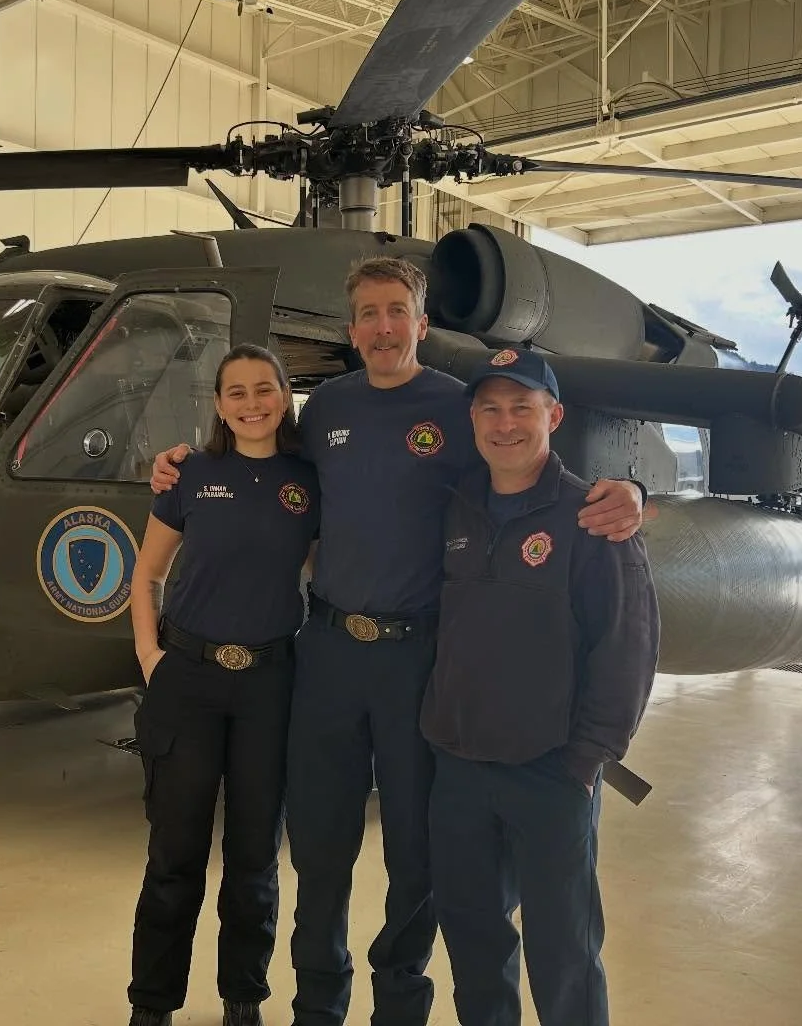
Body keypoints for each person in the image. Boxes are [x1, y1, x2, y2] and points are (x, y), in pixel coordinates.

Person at [149, 257, 646, 1026]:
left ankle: (399, 1009)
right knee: (319, 847)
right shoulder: (324, 411)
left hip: (419, 662)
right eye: (369, 314)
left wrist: (623, 491)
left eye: (397, 311)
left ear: (420, 323)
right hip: (328, 652)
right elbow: (267, 470)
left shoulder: (459, 407)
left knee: (417, 858)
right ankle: (320, 1001)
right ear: (352, 331)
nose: (383, 327)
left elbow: (523, 463)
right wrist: (182, 462)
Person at [420, 347, 660, 1026]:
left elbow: (628, 644)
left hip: (551, 771)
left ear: (553, 415)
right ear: (472, 419)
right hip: (459, 766)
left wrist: (587, 759)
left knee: (565, 954)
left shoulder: (594, 516)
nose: (505, 424)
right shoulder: (457, 506)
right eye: (490, 409)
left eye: (521, 407)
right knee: (473, 939)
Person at [126, 343, 321, 1026]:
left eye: (264, 389)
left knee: (254, 857)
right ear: (218, 404)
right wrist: (151, 657)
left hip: (270, 684)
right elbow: (146, 575)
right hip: (190, 680)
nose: (252, 404)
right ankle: (152, 1003)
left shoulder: (309, 479)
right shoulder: (189, 473)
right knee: (174, 853)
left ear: (284, 396)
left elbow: (325, 572)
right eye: (235, 392)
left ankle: (243, 996)